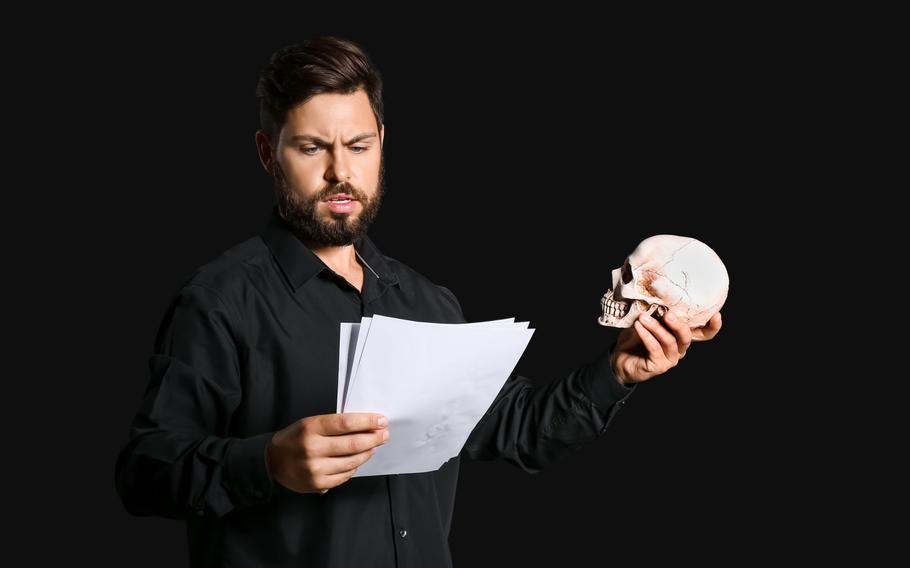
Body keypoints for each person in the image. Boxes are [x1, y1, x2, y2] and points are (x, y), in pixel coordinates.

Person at [114, 35, 722, 568]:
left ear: (381, 143)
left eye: (357, 145)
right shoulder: (220, 301)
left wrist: (618, 372)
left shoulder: (428, 302)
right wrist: (266, 462)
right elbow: (144, 471)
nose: (338, 173)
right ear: (268, 152)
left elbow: (518, 430)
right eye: (310, 148)